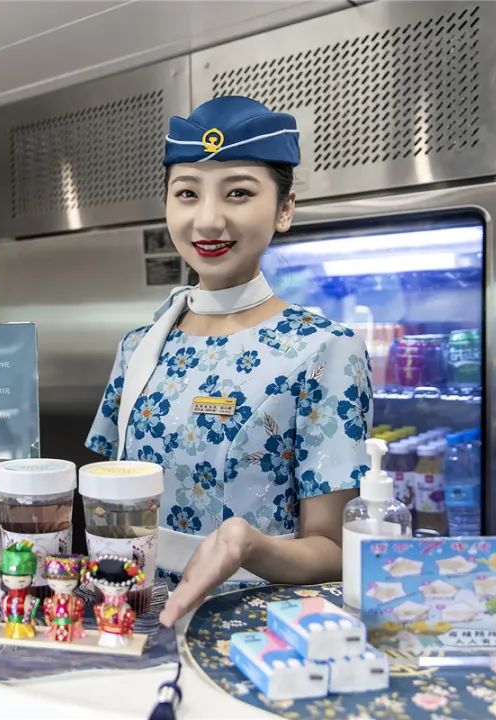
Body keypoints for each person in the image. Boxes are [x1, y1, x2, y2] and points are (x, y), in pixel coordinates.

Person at [84, 96, 372, 628]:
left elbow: (335, 550)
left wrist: (247, 544)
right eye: (187, 193)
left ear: (284, 209)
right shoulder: (139, 346)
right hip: (131, 617)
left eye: (238, 192)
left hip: (254, 632)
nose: (208, 219)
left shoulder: (324, 349)